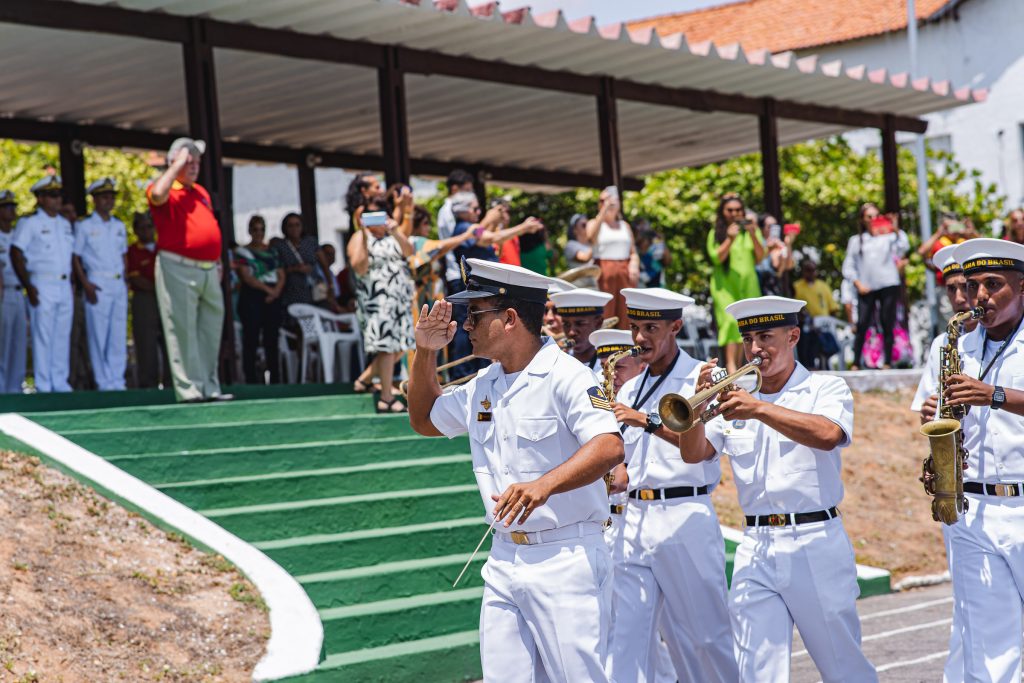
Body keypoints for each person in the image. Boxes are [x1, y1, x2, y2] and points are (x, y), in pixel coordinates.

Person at [407, 258, 625, 683]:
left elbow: (609, 445)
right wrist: (425, 352)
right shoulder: (484, 384)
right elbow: (425, 420)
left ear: (509, 319)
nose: (465, 324)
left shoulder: (567, 376)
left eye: (475, 314)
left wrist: (543, 486)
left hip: (565, 556)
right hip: (505, 556)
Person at [674, 295, 877, 682]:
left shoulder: (825, 387)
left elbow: (828, 435)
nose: (755, 349)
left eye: (765, 336)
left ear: (793, 336)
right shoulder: (734, 399)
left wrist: (760, 409)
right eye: (747, 338)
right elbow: (694, 454)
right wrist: (697, 412)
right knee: (756, 669)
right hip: (756, 543)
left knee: (842, 666)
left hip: (814, 540)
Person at [607, 287, 737, 683]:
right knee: (624, 640)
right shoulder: (630, 387)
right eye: (636, 328)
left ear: (675, 326)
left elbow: (703, 451)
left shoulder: (702, 376)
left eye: (651, 328)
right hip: (634, 518)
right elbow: (624, 465)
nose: (640, 338)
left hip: (685, 515)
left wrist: (645, 420)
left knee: (705, 639)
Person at [941, 238, 1024, 683]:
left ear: (1022, 285)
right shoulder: (957, 345)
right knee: (989, 655)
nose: (980, 297)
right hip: (974, 511)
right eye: (973, 286)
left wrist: (992, 394)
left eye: (993, 284)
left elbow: (995, 398)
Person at [909, 243, 978, 683]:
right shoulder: (943, 343)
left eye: (966, 287)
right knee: (970, 609)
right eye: (952, 289)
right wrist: (932, 408)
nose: (959, 298)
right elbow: (924, 413)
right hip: (965, 491)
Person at [147, 137, 230, 403]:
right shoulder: (166, 189)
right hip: (178, 266)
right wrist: (175, 165)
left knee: (210, 329)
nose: (194, 166)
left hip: (208, 269)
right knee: (182, 329)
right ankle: (189, 390)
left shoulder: (201, 192)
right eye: (188, 161)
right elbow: (158, 195)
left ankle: (209, 386)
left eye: (196, 161)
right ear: (174, 162)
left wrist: (216, 261)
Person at [347, 197, 414, 413]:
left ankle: (364, 379)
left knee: (402, 345)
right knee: (386, 348)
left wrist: (395, 230)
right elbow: (359, 266)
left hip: (399, 300)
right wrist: (365, 235)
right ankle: (385, 397)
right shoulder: (359, 237)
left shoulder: (391, 234)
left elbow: (409, 252)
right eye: (371, 216)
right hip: (377, 300)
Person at [11, 175, 74, 393]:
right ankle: (44, 384)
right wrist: (28, 285)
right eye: (52, 195)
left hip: (64, 284)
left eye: (59, 195)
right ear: (40, 198)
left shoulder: (65, 224)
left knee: (62, 335)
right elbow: (16, 252)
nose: (57, 200)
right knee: (43, 335)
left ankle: (60, 381)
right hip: (42, 283)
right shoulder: (30, 223)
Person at [72, 178, 128, 391]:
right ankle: (103, 381)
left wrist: (125, 279)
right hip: (97, 281)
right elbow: (76, 257)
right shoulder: (84, 226)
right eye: (104, 196)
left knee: (117, 332)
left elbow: (123, 255)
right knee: (99, 334)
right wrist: (86, 284)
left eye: (112, 196)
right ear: (94, 199)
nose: (109, 200)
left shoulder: (119, 225)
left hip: (117, 282)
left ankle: (117, 380)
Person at [842, 204, 909, 370]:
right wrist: (857, 283)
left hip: (888, 283)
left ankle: (887, 361)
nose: (873, 220)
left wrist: (894, 228)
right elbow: (849, 266)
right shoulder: (856, 241)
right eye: (869, 217)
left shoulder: (887, 238)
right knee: (862, 323)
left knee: (888, 323)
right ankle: (857, 361)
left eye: (876, 216)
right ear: (862, 220)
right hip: (866, 286)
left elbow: (903, 247)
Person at [707, 193, 765, 374]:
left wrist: (754, 234)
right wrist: (729, 238)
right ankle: (731, 368)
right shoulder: (716, 233)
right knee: (731, 323)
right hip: (725, 288)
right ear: (722, 212)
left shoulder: (751, 231)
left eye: (738, 210)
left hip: (748, 287)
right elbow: (716, 257)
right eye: (730, 210)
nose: (734, 213)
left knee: (747, 325)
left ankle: (741, 368)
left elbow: (760, 257)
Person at [235, 215, 284, 384]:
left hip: (272, 297)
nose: (258, 233)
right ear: (249, 231)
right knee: (251, 338)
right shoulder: (242, 252)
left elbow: (280, 273)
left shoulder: (272, 251)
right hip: (252, 296)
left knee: (272, 338)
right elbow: (246, 276)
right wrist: (267, 290)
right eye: (255, 229)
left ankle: (275, 379)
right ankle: (251, 379)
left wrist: (275, 291)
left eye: (261, 229)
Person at [126, 211, 169, 389]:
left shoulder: (164, 249)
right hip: (145, 299)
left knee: (170, 342)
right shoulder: (132, 251)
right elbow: (135, 277)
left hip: (166, 298)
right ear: (135, 230)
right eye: (142, 228)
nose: (146, 231)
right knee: (146, 344)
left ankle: (171, 384)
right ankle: (147, 385)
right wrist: (156, 287)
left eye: (149, 227)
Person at [587, 187, 639, 329]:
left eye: (609, 199)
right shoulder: (594, 223)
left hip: (624, 271)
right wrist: (603, 211)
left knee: (626, 314)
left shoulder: (624, 226)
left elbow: (633, 251)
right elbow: (591, 237)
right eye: (602, 200)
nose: (606, 203)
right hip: (603, 271)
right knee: (605, 313)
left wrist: (634, 264)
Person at [0, 190, 27, 393]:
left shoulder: (20, 233)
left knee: (18, 345)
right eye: (6, 207)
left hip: (19, 292)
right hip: (3, 293)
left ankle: (15, 388)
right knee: (3, 344)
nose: (11, 211)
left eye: (13, 207)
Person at [548, 288, 612, 372]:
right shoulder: (555, 362)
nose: (571, 333)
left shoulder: (613, 366)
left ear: (598, 323)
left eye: (580, 323)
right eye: (566, 324)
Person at [273, 212, 319, 326]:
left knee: (312, 322)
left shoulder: (310, 242)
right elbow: (277, 269)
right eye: (290, 225)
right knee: (294, 324)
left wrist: (331, 285)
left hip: (310, 289)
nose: (294, 228)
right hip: (291, 291)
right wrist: (294, 269)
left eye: (297, 225)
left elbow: (321, 262)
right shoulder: (280, 246)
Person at [437, 168, 476, 296]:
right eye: (467, 191)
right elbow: (457, 240)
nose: (470, 195)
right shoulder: (448, 212)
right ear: (454, 189)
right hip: (457, 273)